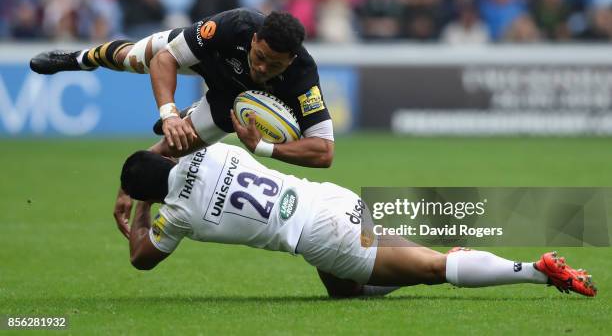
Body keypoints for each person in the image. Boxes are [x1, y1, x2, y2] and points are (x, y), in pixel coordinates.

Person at [116, 142, 597, 298]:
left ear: (151, 195)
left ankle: (534, 271)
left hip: (320, 235)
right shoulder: (216, 148)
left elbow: (142, 259)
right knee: (343, 291)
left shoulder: (176, 214)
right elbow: (179, 142)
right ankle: (427, 259)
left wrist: (141, 205)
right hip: (326, 199)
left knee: (433, 271)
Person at [29, 8, 335, 168]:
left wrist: (263, 148)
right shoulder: (234, 25)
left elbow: (325, 153)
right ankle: (80, 58)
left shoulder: (303, 76)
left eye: (275, 65)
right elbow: (167, 59)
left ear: (292, 60)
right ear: (254, 40)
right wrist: (170, 114)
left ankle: (129, 190)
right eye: (260, 57)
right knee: (133, 59)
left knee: (172, 149)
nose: (263, 68)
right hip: (206, 59)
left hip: (231, 100)